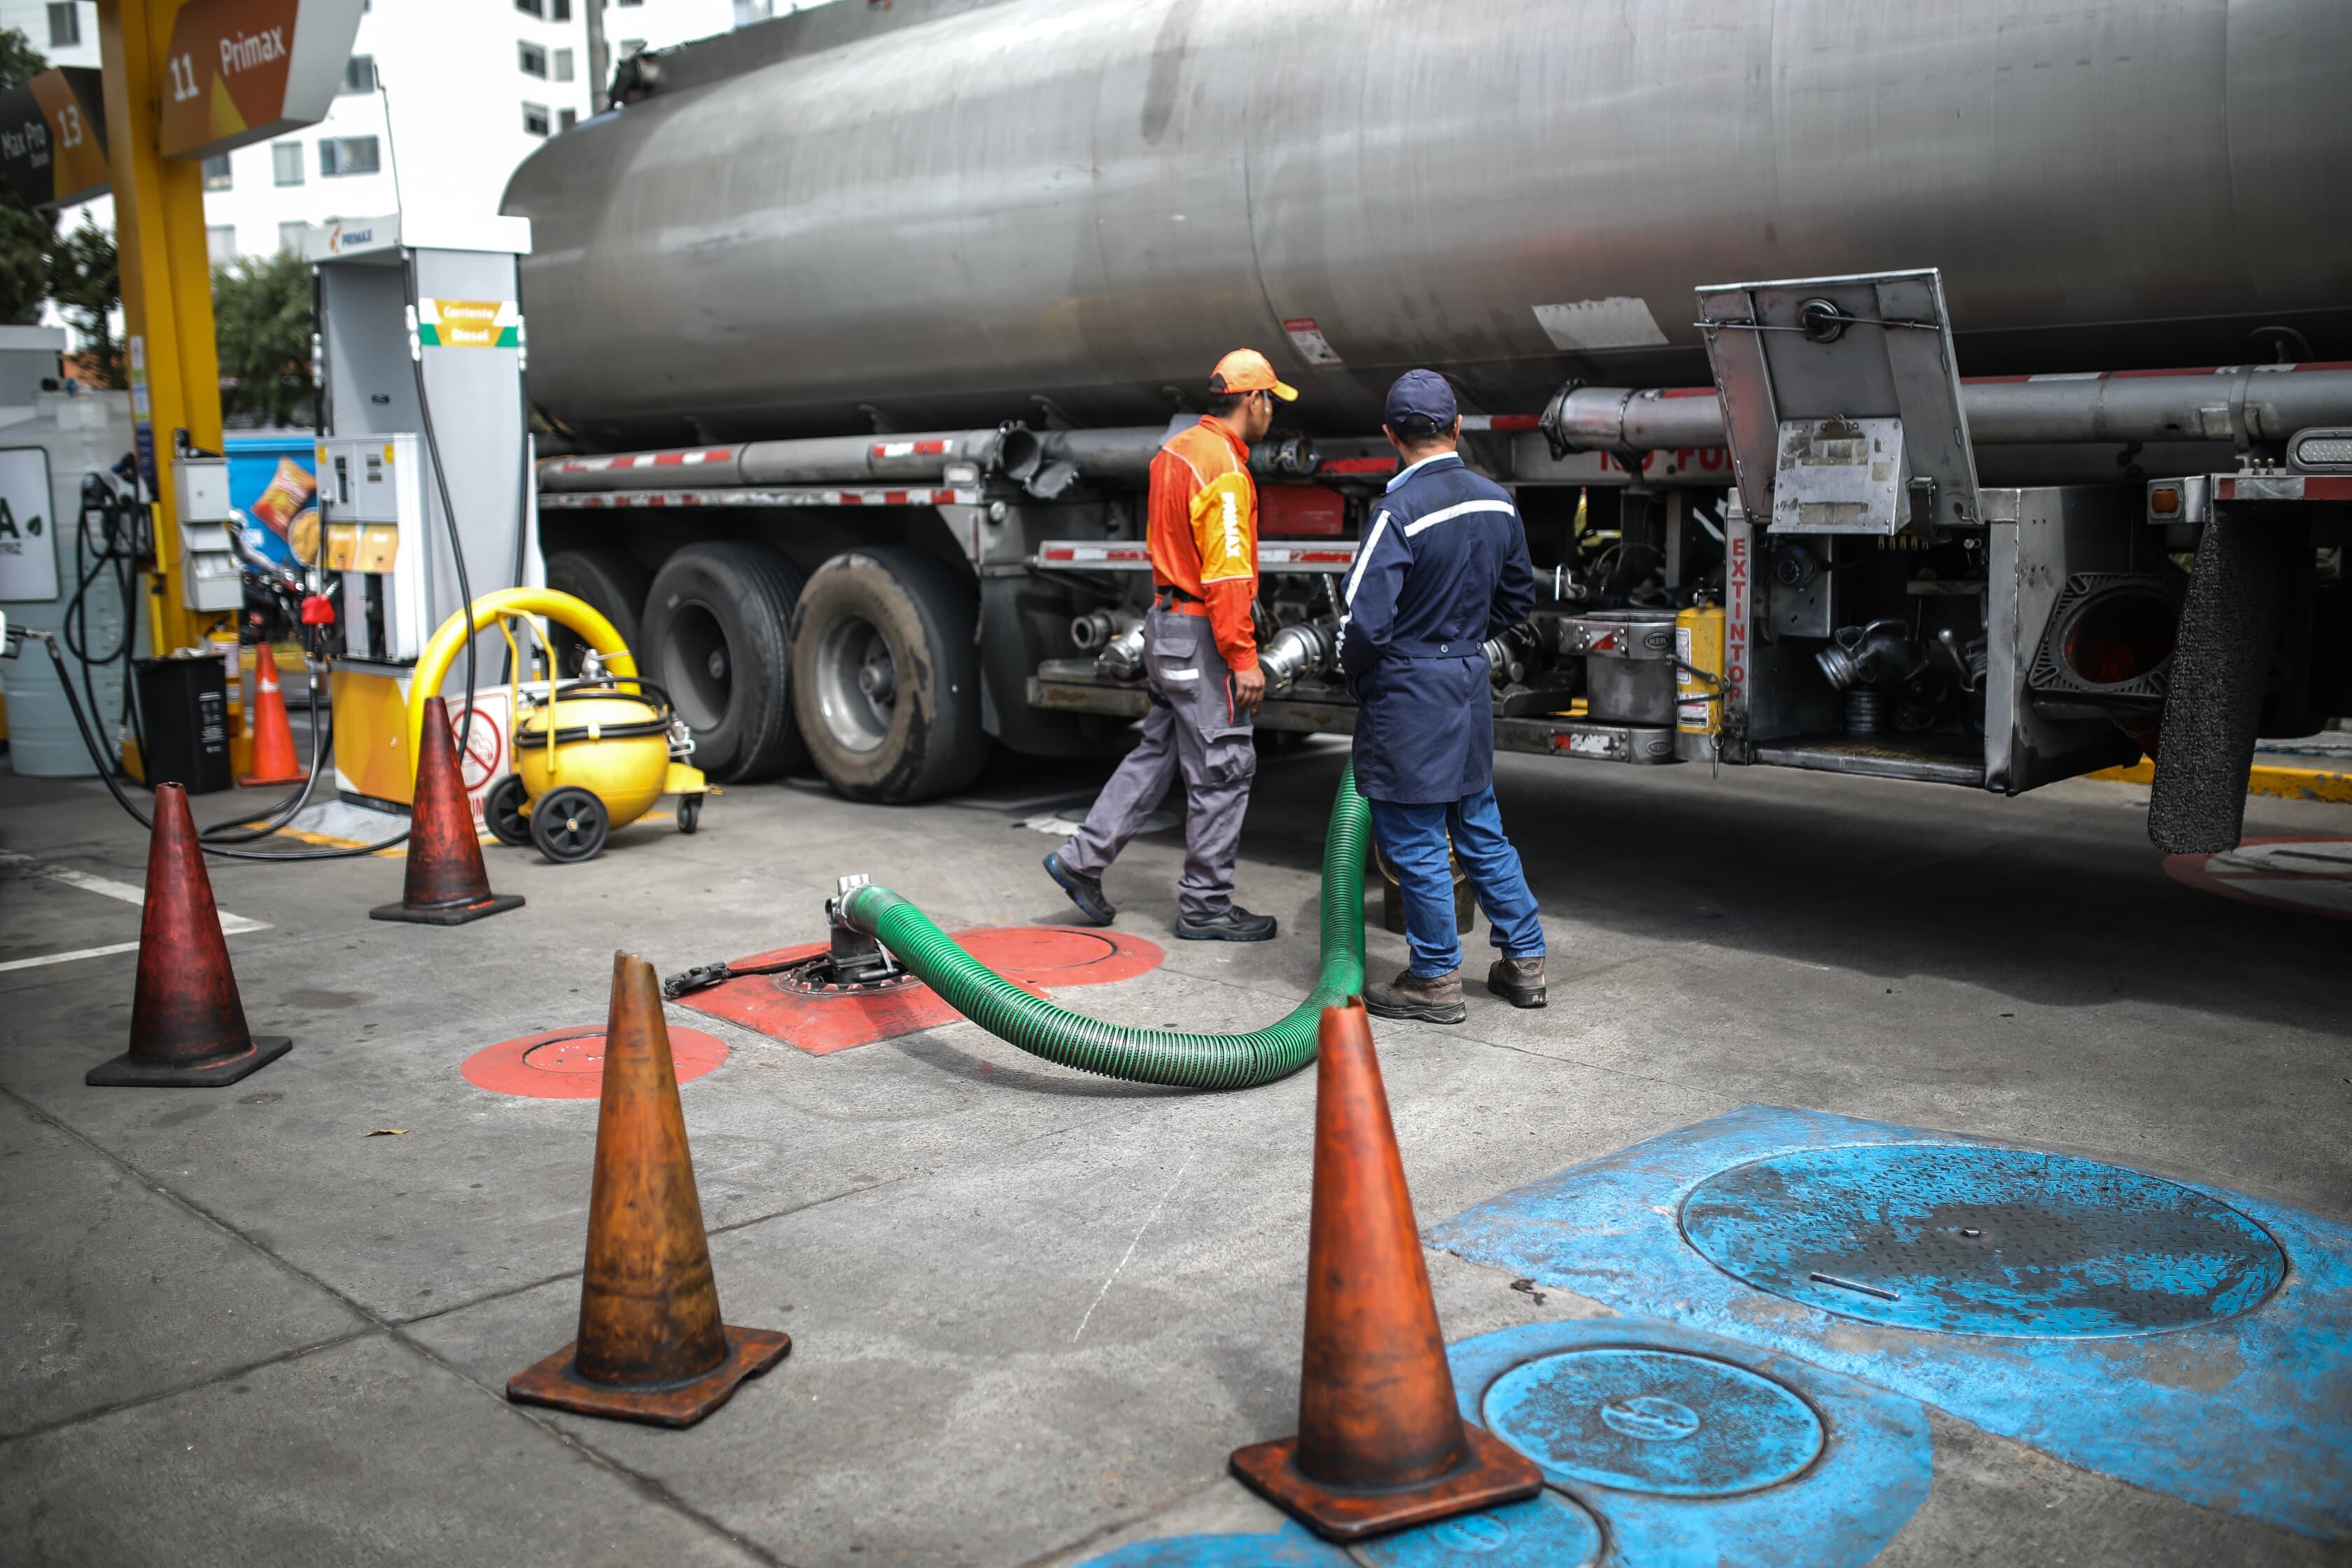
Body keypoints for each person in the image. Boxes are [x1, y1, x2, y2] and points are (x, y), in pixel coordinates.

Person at [1044, 349, 1296, 941]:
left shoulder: (1176, 450)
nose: (1271, 417)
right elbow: (1228, 571)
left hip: (1165, 625)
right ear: (1253, 401)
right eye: (1270, 402)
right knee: (1223, 769)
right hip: (1204, 635)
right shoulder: (1225, 471)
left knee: (1155, 754)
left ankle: (1082, 860)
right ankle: (1206, 906)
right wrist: (1243, 656)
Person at [1337, 369, 1546, 1022]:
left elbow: (1361, 622)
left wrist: (1367, 677)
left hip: (1409, 691)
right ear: (1457, 428)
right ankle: (1526, 962)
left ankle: (1434, 980)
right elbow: (1518, 601)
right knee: (1481, 829)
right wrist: (1459, 642)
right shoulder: (1497, 501)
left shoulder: (1397, 512)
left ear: (1390, 436)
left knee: (1418, 839)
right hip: (1466, 683)